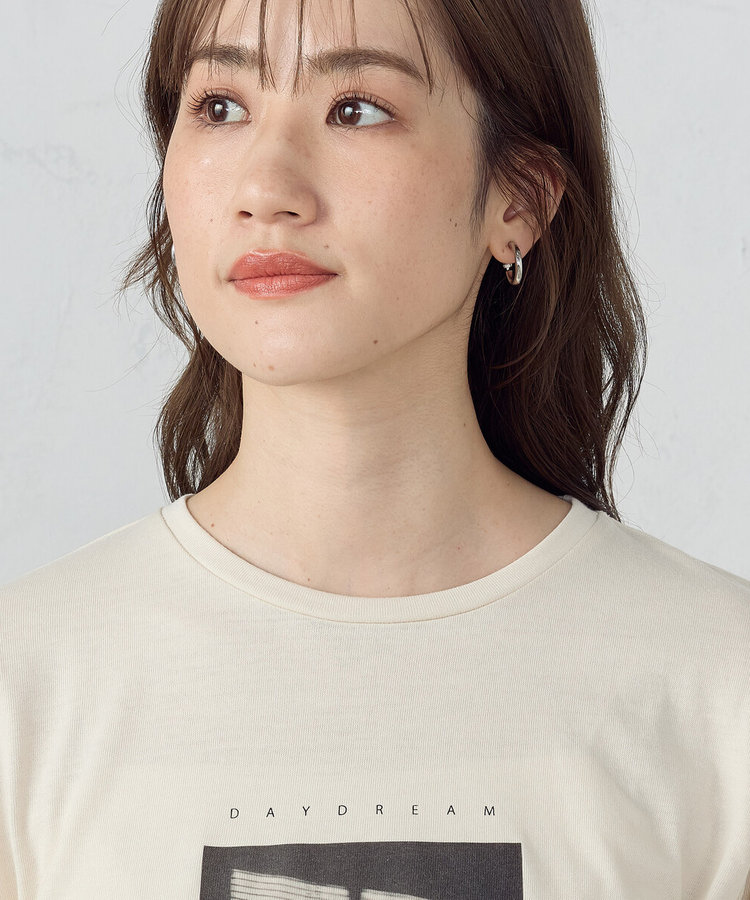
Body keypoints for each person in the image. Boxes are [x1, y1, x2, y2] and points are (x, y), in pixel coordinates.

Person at [1, 0, 748, 897]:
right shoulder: (24, 686)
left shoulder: (720, 690)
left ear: (519, 198)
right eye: (221, 106)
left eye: (355, 109)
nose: (266, 187)